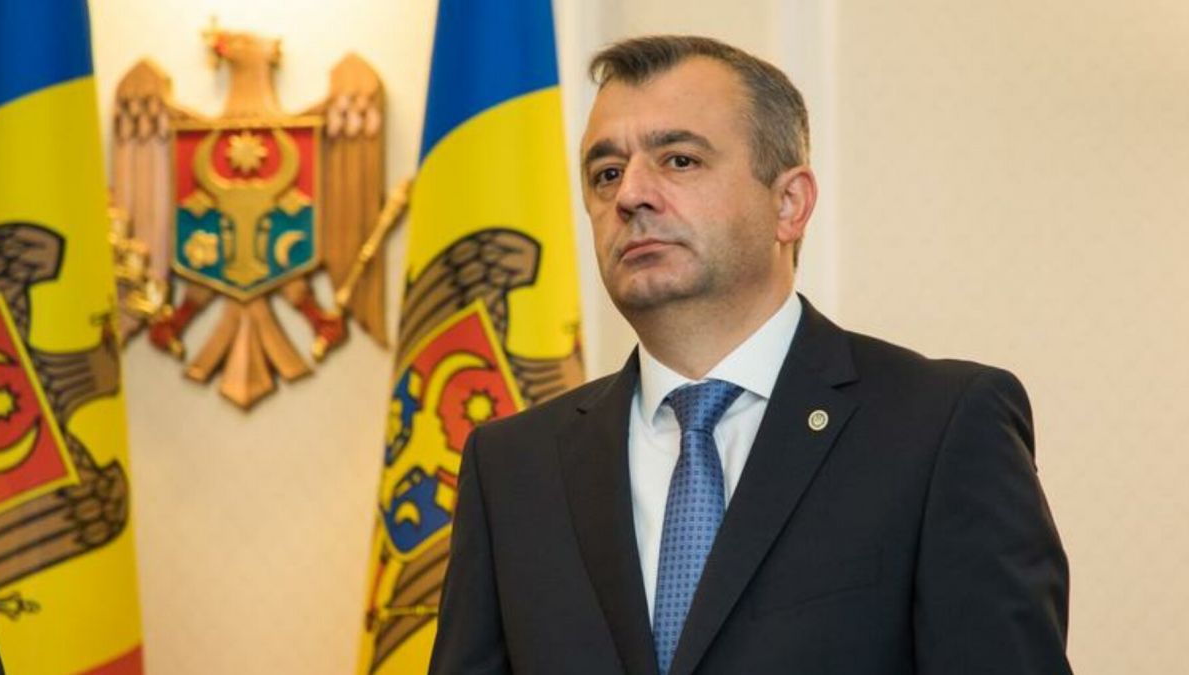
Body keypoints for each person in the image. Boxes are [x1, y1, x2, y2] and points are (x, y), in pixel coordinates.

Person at [429, 35, 1071, 675]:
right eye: (607, 173)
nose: (630, 195)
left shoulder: (939, 427)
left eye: (679, 160)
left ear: (789, 204)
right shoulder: (512, 468)